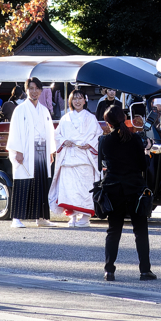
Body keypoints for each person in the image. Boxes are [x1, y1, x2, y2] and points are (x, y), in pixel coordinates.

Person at [98, 106, 156, 282]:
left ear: (108, 123)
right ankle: (145, 271)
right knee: (140, 231)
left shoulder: (105, 141)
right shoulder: (135, 139)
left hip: (114, 189)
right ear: (124, 118)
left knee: (113, 231)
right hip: (135, 189)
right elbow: (142, 166)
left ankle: (109, 270)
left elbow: (102, 163)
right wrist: (147, 152)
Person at [6, 77, 57, 228]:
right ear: (26, 90)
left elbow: (49, 132)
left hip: (41, 149)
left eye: (37, 88)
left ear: (41, 91)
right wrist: (18, 151)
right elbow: (15, 131)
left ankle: (41, 217)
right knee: (23, 181)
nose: (34, 92)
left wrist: (50, 152)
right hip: (26, 149)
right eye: (31, 88)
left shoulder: (44, 110)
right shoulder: (20, 109)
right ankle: (16, 217)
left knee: (41, 182)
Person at [49, 89, 101, 228]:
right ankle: (72, 216)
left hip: (85, 158)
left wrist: (89, 144)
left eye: (80, 98)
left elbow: (98, 135)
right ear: (70, 101)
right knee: (69, 189)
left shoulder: (91, 117)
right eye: (74, 98)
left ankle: (84, 217)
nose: (77, 101)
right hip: (69, 157)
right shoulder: (65, 118)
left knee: (85, 189)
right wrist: (64, 141)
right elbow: (57, 135)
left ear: (85, 100)